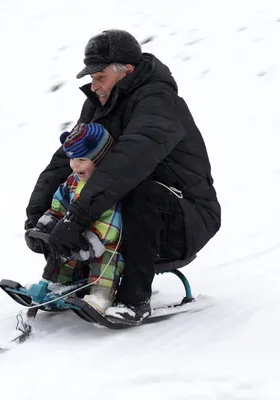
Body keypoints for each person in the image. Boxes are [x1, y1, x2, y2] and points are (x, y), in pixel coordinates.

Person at [25, 29, 221, 324]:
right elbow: (68, 157)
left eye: (99, 77)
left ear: (126, 71)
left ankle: (134, 299)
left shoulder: (159, 104)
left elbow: (128, 163)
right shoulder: (100, 103)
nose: (94, 86)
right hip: (130, 208)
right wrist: (38, 215)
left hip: (187, 218)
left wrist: (76, 218)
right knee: (80, 180)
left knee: (137, 192)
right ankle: (67, 278)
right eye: (92, 78)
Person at [25, 123, 124, 314]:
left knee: (106, 259)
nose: (74, 165)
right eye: (71, 158)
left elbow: (111, 222)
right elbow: (59, 205)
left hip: (105, 241)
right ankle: (58, 286)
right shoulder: (73, 181)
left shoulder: (110, 187)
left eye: (81, 159)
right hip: (77, 237)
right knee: (61, 253)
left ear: (100, 159)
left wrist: (91, 241)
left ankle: (101, 294)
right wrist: (47, 223)